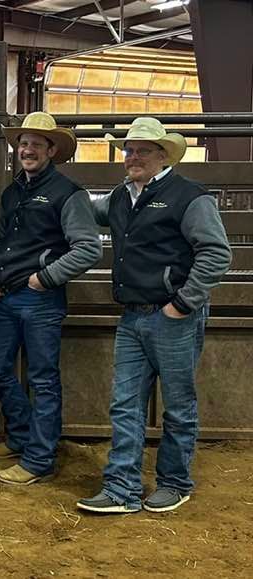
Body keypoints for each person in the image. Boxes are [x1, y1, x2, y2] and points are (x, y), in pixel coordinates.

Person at [77, 117, 231, 514]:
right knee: (124, 403)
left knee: (178, 404)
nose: (133, 157)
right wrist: (54, 194)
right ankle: (121, 488)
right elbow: (84, 211)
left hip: (172, 316)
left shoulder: (189, 197)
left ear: (164, 155)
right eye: (129, 150)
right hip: (132, 315)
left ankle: (175, 482)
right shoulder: (119, 198)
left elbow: (216, 253)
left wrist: (183, 302)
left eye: (143, 150)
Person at [0, 111, 102, 485]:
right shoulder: (14, 191)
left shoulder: (69, 194)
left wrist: (44, 278)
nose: (27, 149)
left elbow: (88, 248)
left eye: (36, 143)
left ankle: (39, 459)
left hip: (40, 299)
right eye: (23, 143)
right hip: (7, 296)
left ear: (51, 149)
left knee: (43, 379)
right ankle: (21, 436)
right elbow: (1, 238)